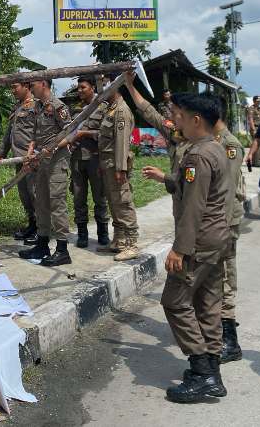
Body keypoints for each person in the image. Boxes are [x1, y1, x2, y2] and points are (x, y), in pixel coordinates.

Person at [141, 93, 230, 403]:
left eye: (179, 115)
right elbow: (186, 186)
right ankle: (212, 371)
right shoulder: (213, 149)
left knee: (175, 301)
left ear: (196, 120)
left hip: (199, 241)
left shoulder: (199, 155)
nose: (174, 120)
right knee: (207, 303)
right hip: (216, 238)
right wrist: (165, 177)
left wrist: (180, 249)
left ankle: (202, 370)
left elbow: (194, 206)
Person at [18, 79, 72, 267]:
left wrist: (54, 147)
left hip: (57, 162)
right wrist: (29, 153)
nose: (30, 87)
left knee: (57, 203)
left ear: (43, 83)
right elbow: (34, 136)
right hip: (41, 162)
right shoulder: (38, 107)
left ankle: (62, 250)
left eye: (33, 84)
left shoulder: (59, 106)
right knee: (41, 202)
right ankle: (42, 244)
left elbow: (70, 134)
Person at [95, 74, 141, 259]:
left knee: (123, 203)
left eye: (105, 85)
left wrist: (120, 169)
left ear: (115, 87)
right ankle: (119, 240)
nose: (101, 90)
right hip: (108, 164)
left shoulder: (121, 111)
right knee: (114, 203)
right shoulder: (110, 109)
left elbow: (122, 143)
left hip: (116, 165)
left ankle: (131, 244)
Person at [212, 108, 246, 364]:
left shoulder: (229, 144)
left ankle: (230, 340)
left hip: (225, 221)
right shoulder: (212, 141)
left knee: (225, 276)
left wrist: (219, 225)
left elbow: (228, 189)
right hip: (215, 220)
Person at [0, 81, 39, 244]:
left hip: (31, 159)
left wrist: (35, 154)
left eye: (15, 87)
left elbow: (40, 131)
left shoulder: (37, 105)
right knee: (24, 194)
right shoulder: (17, 107)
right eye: (11, 87)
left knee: (34, 193)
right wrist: (1, 152)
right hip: (18, 158)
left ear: (26, 86)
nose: (12, 90)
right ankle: (32, 225)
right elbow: (9, 133)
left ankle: (41, 230)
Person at [69, 76, 110, 248]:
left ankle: (103, 233)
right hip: (77, 160)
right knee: (79, 199)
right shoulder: (76, 110)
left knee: (100, 198)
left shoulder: (103, 108)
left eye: (83, 87)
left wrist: (84, 134)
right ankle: (82, 234)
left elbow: (106, 134)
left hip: (95, 158)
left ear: (93, 88)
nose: (80, 91)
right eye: (78, 88)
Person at [246, 96, 260, 167]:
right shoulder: (251, 108)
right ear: (254, 101)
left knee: (258, 144)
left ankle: (254, 161)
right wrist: (253, 130)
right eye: (257, 100)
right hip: (255, 128)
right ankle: (256, 161)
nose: (259, 102)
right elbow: (250, 120)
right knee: (257, 144)